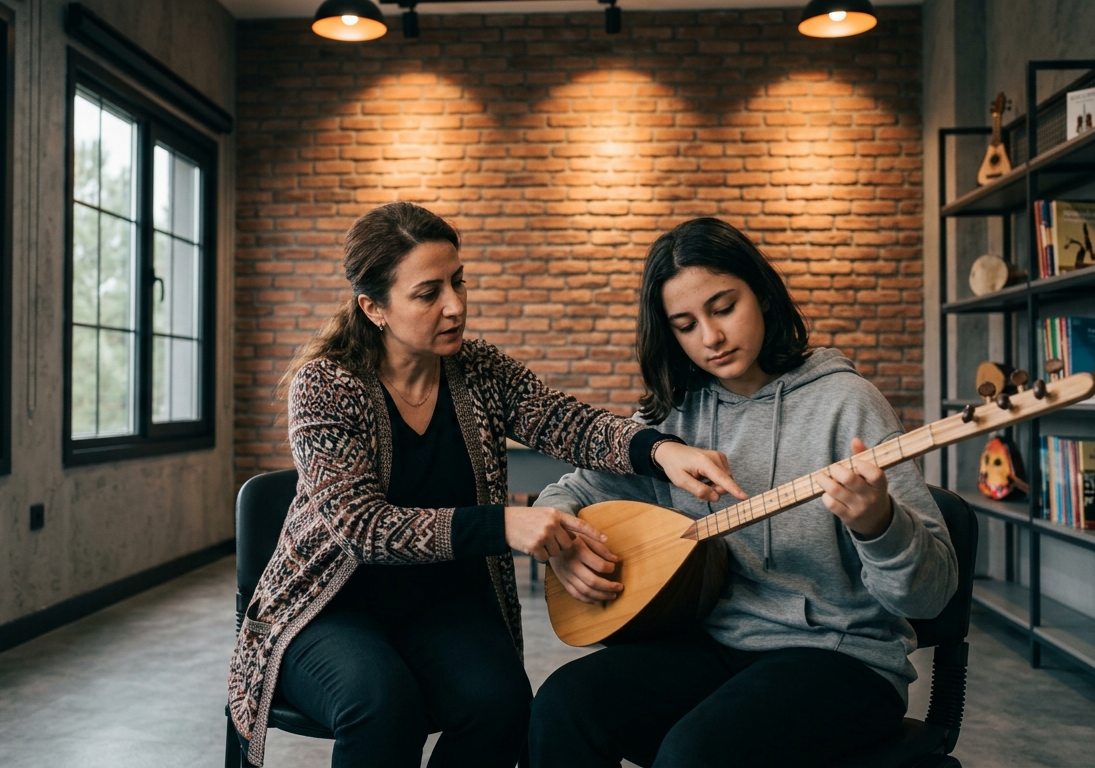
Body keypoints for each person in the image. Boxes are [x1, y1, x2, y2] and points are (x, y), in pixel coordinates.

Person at [225, 203, 748, 768]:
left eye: (459, 282)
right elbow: (361, 528)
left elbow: (566, 422)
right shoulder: (326, 385)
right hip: (329, 608)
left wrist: (662, 450)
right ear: (374, 307)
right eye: (428, 293)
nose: (455, 306)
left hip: (439, 605)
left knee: (502, 706)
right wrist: (504, 524)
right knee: (381, 704)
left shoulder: (479, 370)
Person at [529, 217, 958, 768]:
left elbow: (931, 596)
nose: (710, 338)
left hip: (840, 658)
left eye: (723, 307)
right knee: (564, 705)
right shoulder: (675, 414)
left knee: (694, 753)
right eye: (685, 324)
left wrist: (879, 524)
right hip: (710, 644)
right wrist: (563, 540)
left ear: (762, 293)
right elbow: (573, 488)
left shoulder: (849, 404)